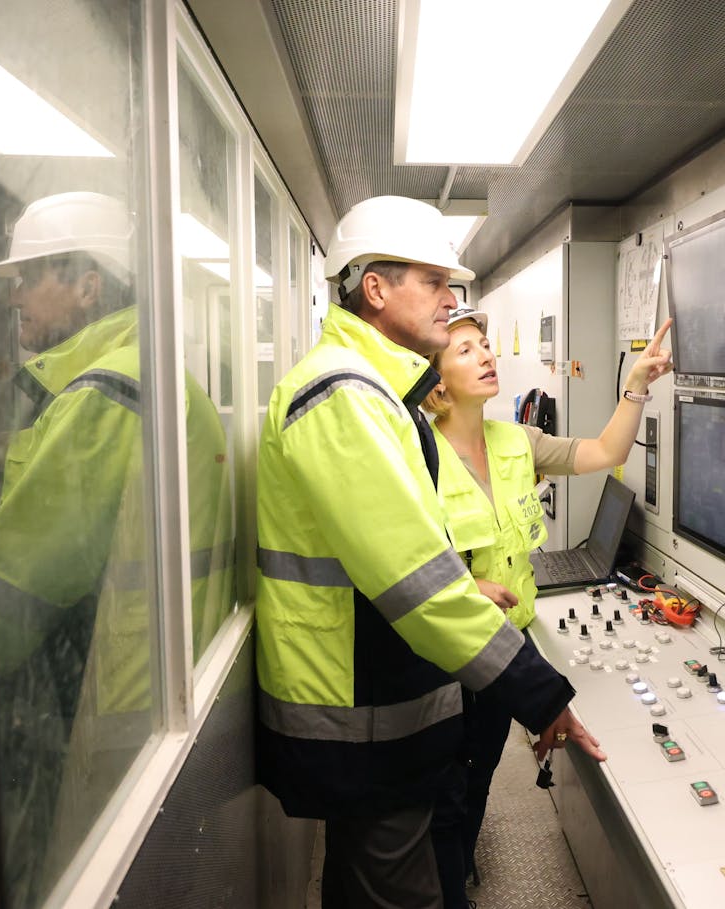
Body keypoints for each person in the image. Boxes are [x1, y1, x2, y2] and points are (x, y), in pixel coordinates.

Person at [254, 195, 606, 909]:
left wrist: (460, 590)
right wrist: (542, 697)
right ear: (376, 287)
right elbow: (416, 583)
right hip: (360, 717)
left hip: (372, 698)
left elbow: (387, 553)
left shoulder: (380, 392)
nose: (453, 301)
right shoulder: (343, 395)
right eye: (435, 282)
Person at [0, 191, 233, 905]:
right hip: (161, 686)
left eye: (30, 277)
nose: (16, 297)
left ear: (90, 284)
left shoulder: (106, 390)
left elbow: (17, 589)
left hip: (121, 697)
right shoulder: (148, 372)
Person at [424, 308, 671, 902]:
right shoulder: (417, 454)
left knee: (479, 778)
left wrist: (636, 384)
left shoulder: (518, 441)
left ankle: (457, 870)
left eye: (485, 345)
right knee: (443, 795)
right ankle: (446, 884)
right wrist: (458, 586)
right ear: (435, 385)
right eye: (464, 350)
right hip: (444, 657)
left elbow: (607, 452)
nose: (485, 355)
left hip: (507, 652)